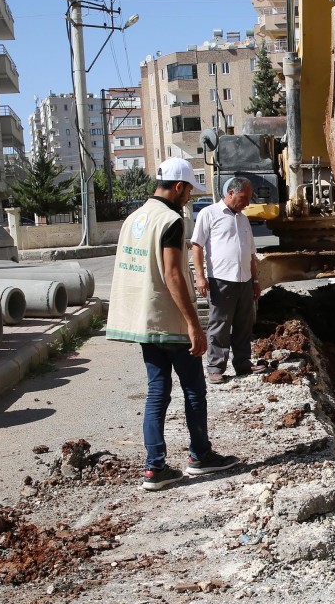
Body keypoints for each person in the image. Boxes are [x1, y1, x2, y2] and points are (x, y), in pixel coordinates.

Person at [106, 157, 240, 490]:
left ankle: (154, 468)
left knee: (157, 393)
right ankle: (200, 456)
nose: (189, 199)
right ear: (178, 187)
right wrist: (193, 325)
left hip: (145, 322)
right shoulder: (171, 220)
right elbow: (173, 273)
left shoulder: (134, 218)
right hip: (171, 322)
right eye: (189, 193)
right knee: (194, 390)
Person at [191, 175, 264, 384]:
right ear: (231, 193)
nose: (248, 203)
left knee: (243, 324)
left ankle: (243, 363)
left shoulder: (243, 219)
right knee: (220, 325)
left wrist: (255, 281)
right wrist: (200, 277)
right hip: (221, 280)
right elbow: (197, 246)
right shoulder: (209, 214)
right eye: (244, 197)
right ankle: (215, 367)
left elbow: (250, 253)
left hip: (245, 280)